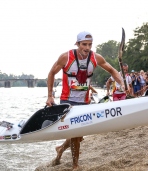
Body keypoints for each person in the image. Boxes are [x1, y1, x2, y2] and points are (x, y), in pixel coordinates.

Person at [46, 31, 124, 170]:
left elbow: (112, 70)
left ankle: (60, 149)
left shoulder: (96, 58)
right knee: (76, 135)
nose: (87, 48)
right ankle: (75, 165)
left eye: (89, 44)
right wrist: (50, 96)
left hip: (84, 101)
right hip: (67, 100)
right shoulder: (66, 57)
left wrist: (122, 84)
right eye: (84, 44)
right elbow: (51, 73)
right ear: (77, 44)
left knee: (79, 136)